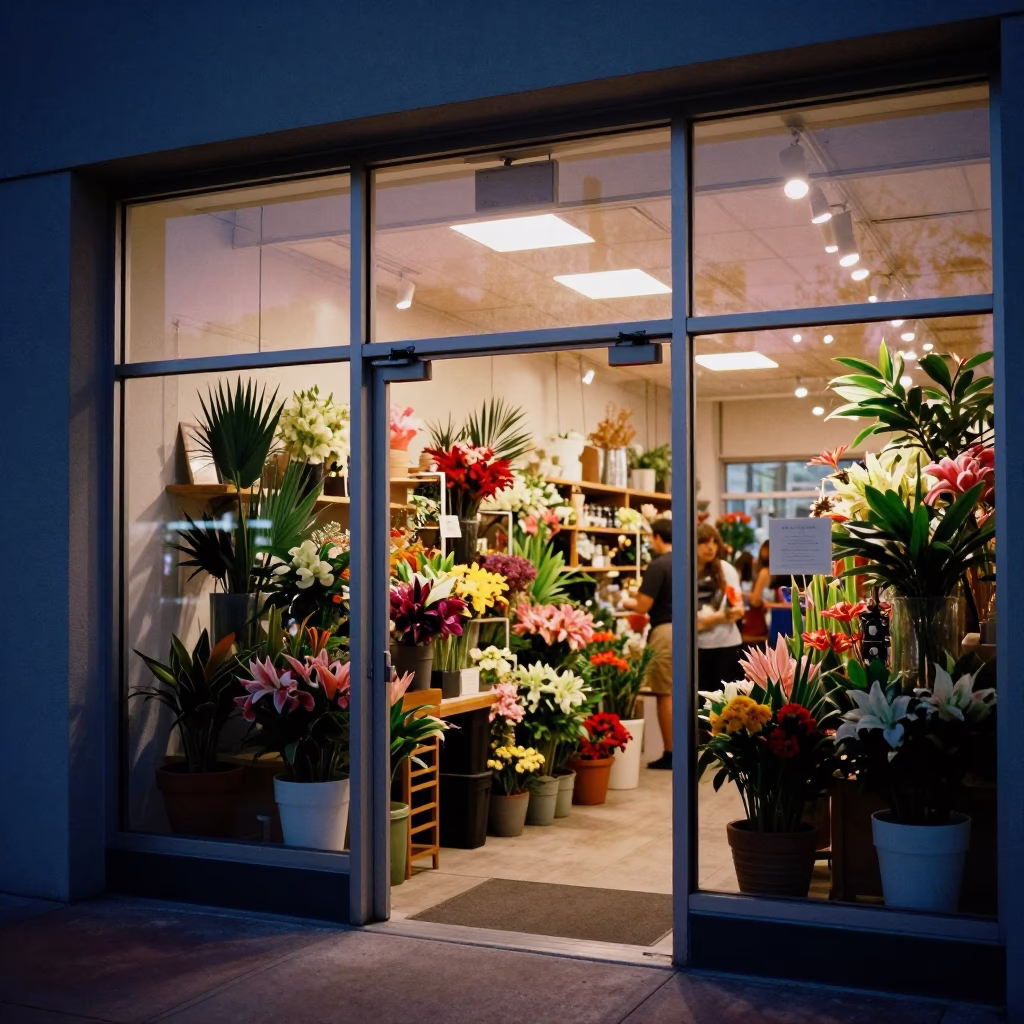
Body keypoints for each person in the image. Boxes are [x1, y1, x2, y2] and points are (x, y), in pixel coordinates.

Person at [621, 519, 674, 770]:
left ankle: (671, 752)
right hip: (686, 629)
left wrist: (625, 602)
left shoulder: (658, 565)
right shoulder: (686, 561)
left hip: (664, 632)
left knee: (665, 694)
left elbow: (643, 606)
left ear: (657, 537)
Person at [696, 522, 745, 692]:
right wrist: (720, 617)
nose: (710, 547)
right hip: (697, 648)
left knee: (726, 702)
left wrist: (708, 620)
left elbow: (737, 610)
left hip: (725, 646)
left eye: (714, 542)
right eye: (703, 542)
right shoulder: (685, 570)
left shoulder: (726, 570)